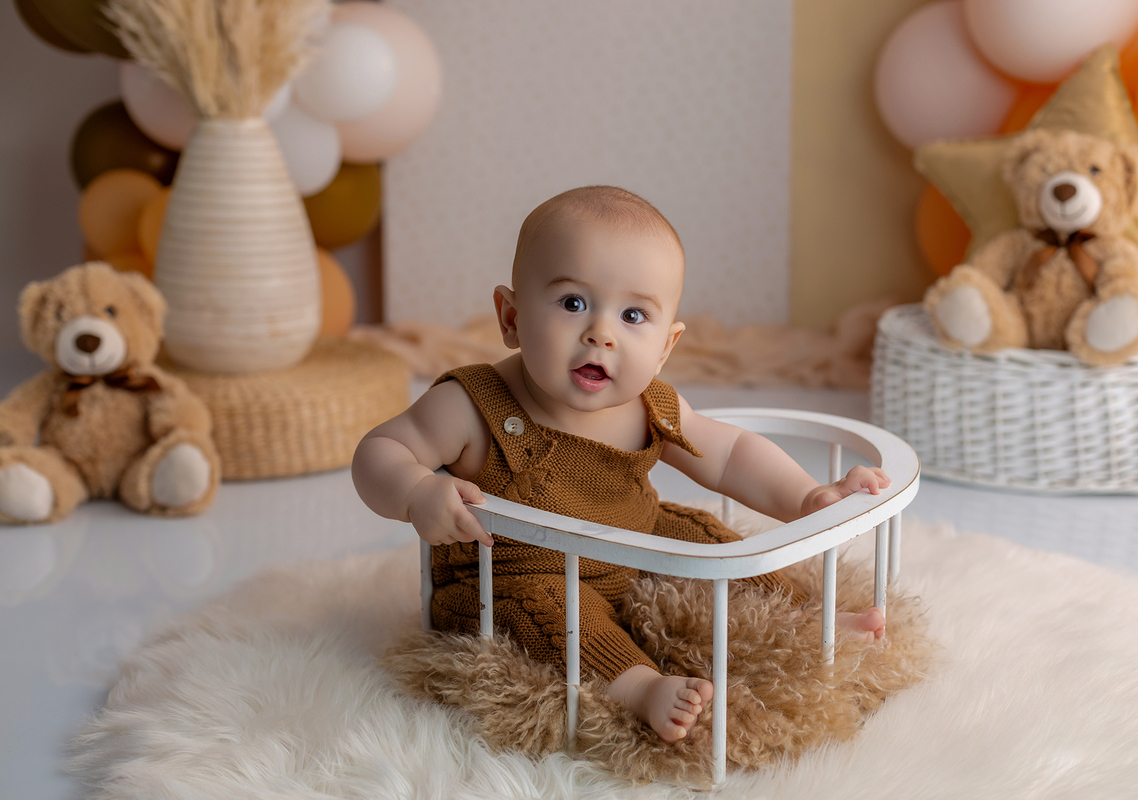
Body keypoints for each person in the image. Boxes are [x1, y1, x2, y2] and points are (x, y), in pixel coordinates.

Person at [353, 186, 890, 743]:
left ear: (665, 347)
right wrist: (416, 491)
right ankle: (639, 687)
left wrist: (807, 496)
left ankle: (807, 621)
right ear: (510, 317)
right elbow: (380, 451)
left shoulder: (649, 404)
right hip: (515, 572)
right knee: (553, 612)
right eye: (572, 303)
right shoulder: (473, 405)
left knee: (707, 539)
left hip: (634, 542)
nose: (601, 333)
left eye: (633, 315)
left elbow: (731, 455)